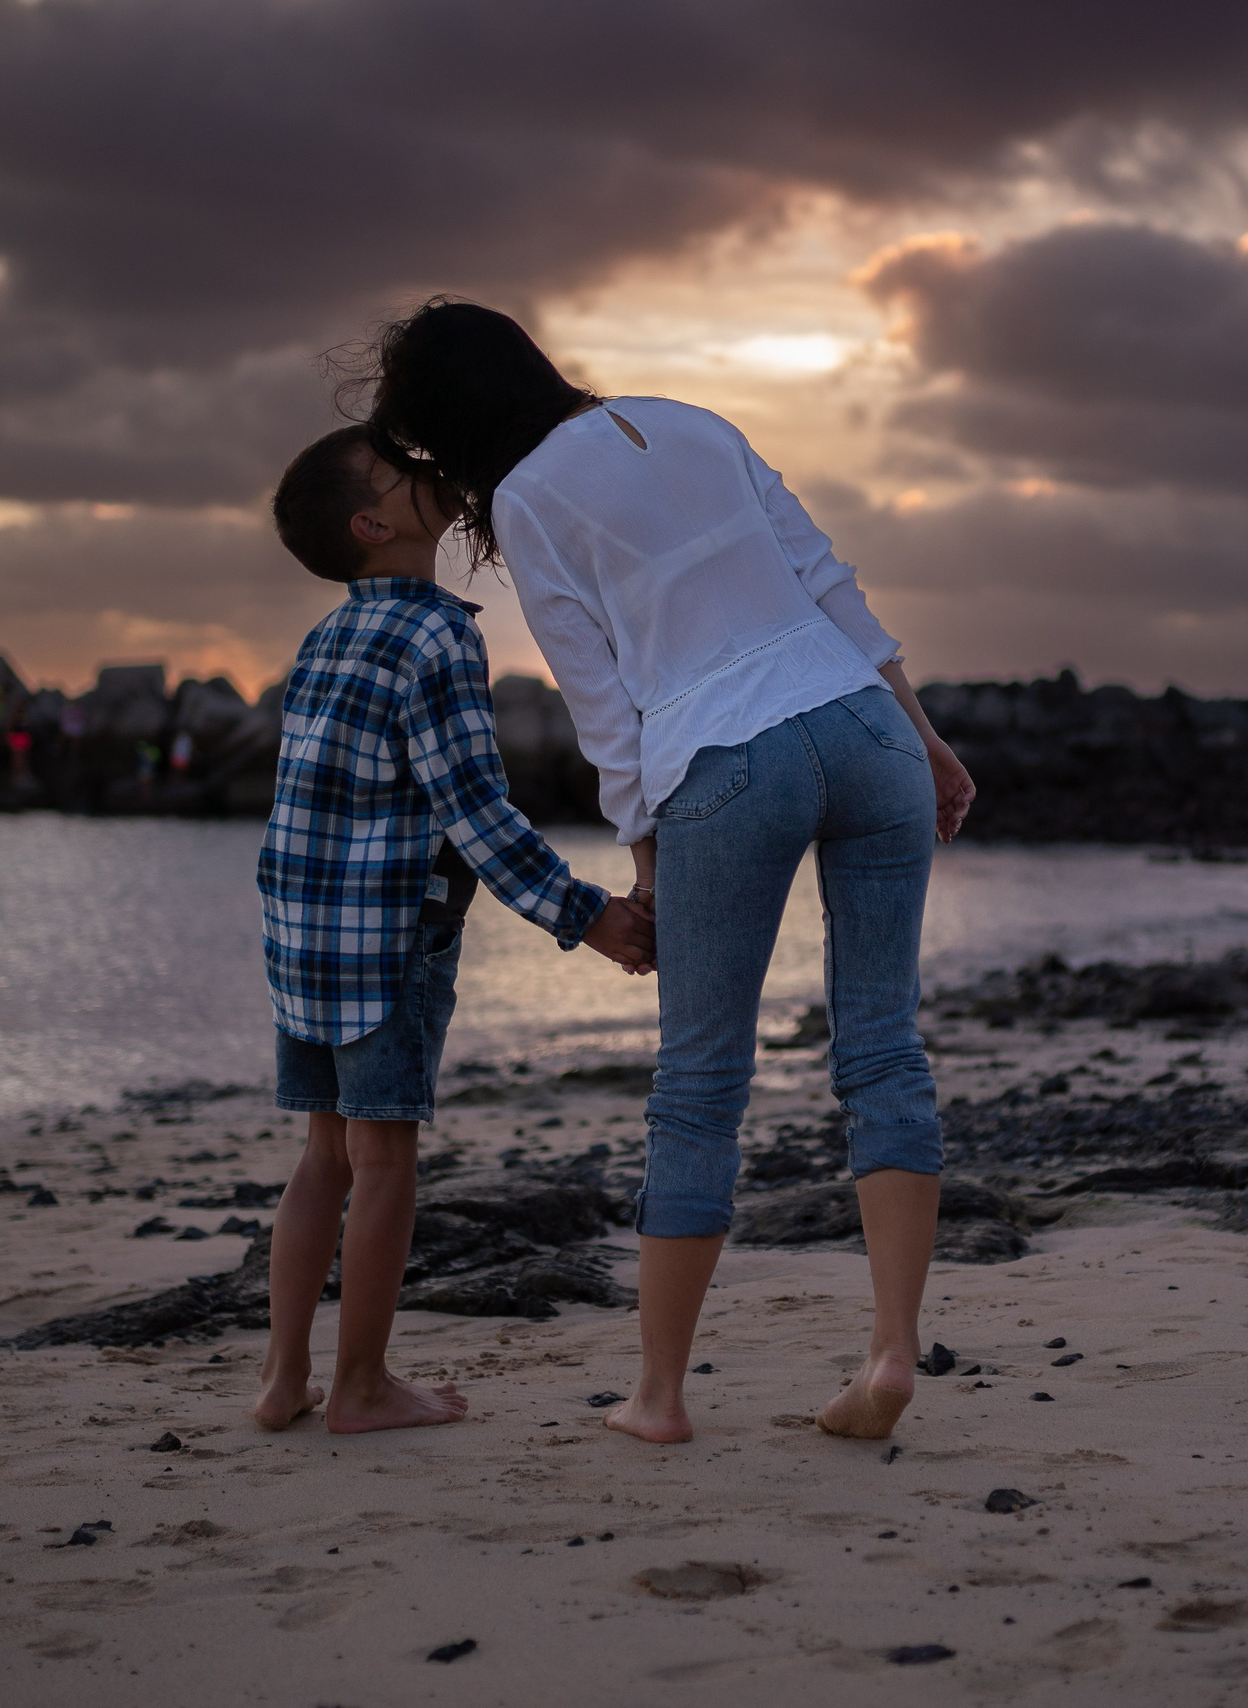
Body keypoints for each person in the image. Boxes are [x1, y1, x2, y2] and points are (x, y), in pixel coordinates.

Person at [369, 301, 976, 1444]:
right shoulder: (688, 420)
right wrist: (926, 735)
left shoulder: (526, 499)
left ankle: (658, 1397)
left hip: (726, 755)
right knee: (884, 1045)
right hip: (865, 727)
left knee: (700, 1085)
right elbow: (829, 583)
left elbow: (598, 696)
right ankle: (891, 1350)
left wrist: (644, 853)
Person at [252, 424, 656, 1435]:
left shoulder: (324, 638)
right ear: (373, 523)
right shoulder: (438, 636)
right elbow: (475, 815)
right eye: (406, 471)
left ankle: (283, 1378)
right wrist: (592, 917)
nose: (435, 471)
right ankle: (359, 1387)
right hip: (387, 942)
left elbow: (300, 802)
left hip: (301, 939)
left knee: (322, 1157)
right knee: (383, 1160)